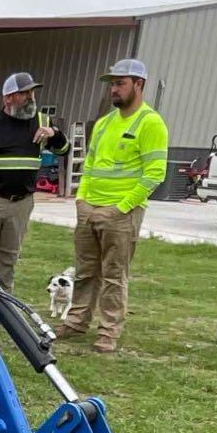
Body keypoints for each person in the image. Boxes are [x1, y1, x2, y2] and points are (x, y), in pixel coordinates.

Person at [56, 58, 168, 353]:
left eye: (120, 83)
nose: (114, 90)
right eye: (112, 84)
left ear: (138, 84)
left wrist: (121, 208)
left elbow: (154, 173)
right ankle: (76, 320)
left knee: (114, 275)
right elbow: (90, 166)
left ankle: (108, 331)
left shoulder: (150, 123)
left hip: (120, 214)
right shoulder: (104, 123)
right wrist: (81, 200)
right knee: (84, 270)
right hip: (90, 207)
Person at [0, 71, 67, 293]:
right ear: (8, 97)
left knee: (9, 257)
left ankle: (1, 306)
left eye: (32, 92)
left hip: (22, 202)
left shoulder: (42, 123)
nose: (31, 97)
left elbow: (63, 150)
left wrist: (54, 133)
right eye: (24, 93)